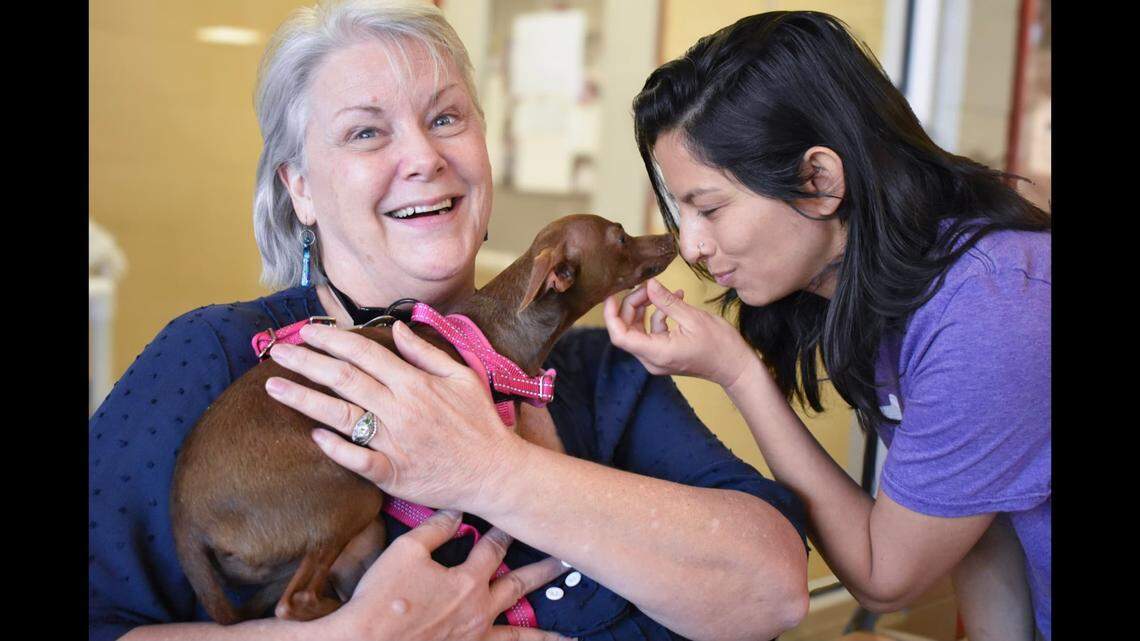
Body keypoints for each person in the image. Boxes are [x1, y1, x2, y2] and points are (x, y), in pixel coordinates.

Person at [88, 2, 812, 640]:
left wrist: (492, 470)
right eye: (367, 134)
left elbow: (774, 590)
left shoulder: (601, 374)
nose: (424, 158)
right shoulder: (214, 359)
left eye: (445, 118)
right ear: (300, 188)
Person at [603, 10, 1051, 641]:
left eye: (709, 208)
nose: (692, 246)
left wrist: (738, 373)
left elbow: (884, 575)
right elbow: (981, 520)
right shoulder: (885, 289)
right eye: (680, 213)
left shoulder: (990, 310)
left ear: (819, 181)